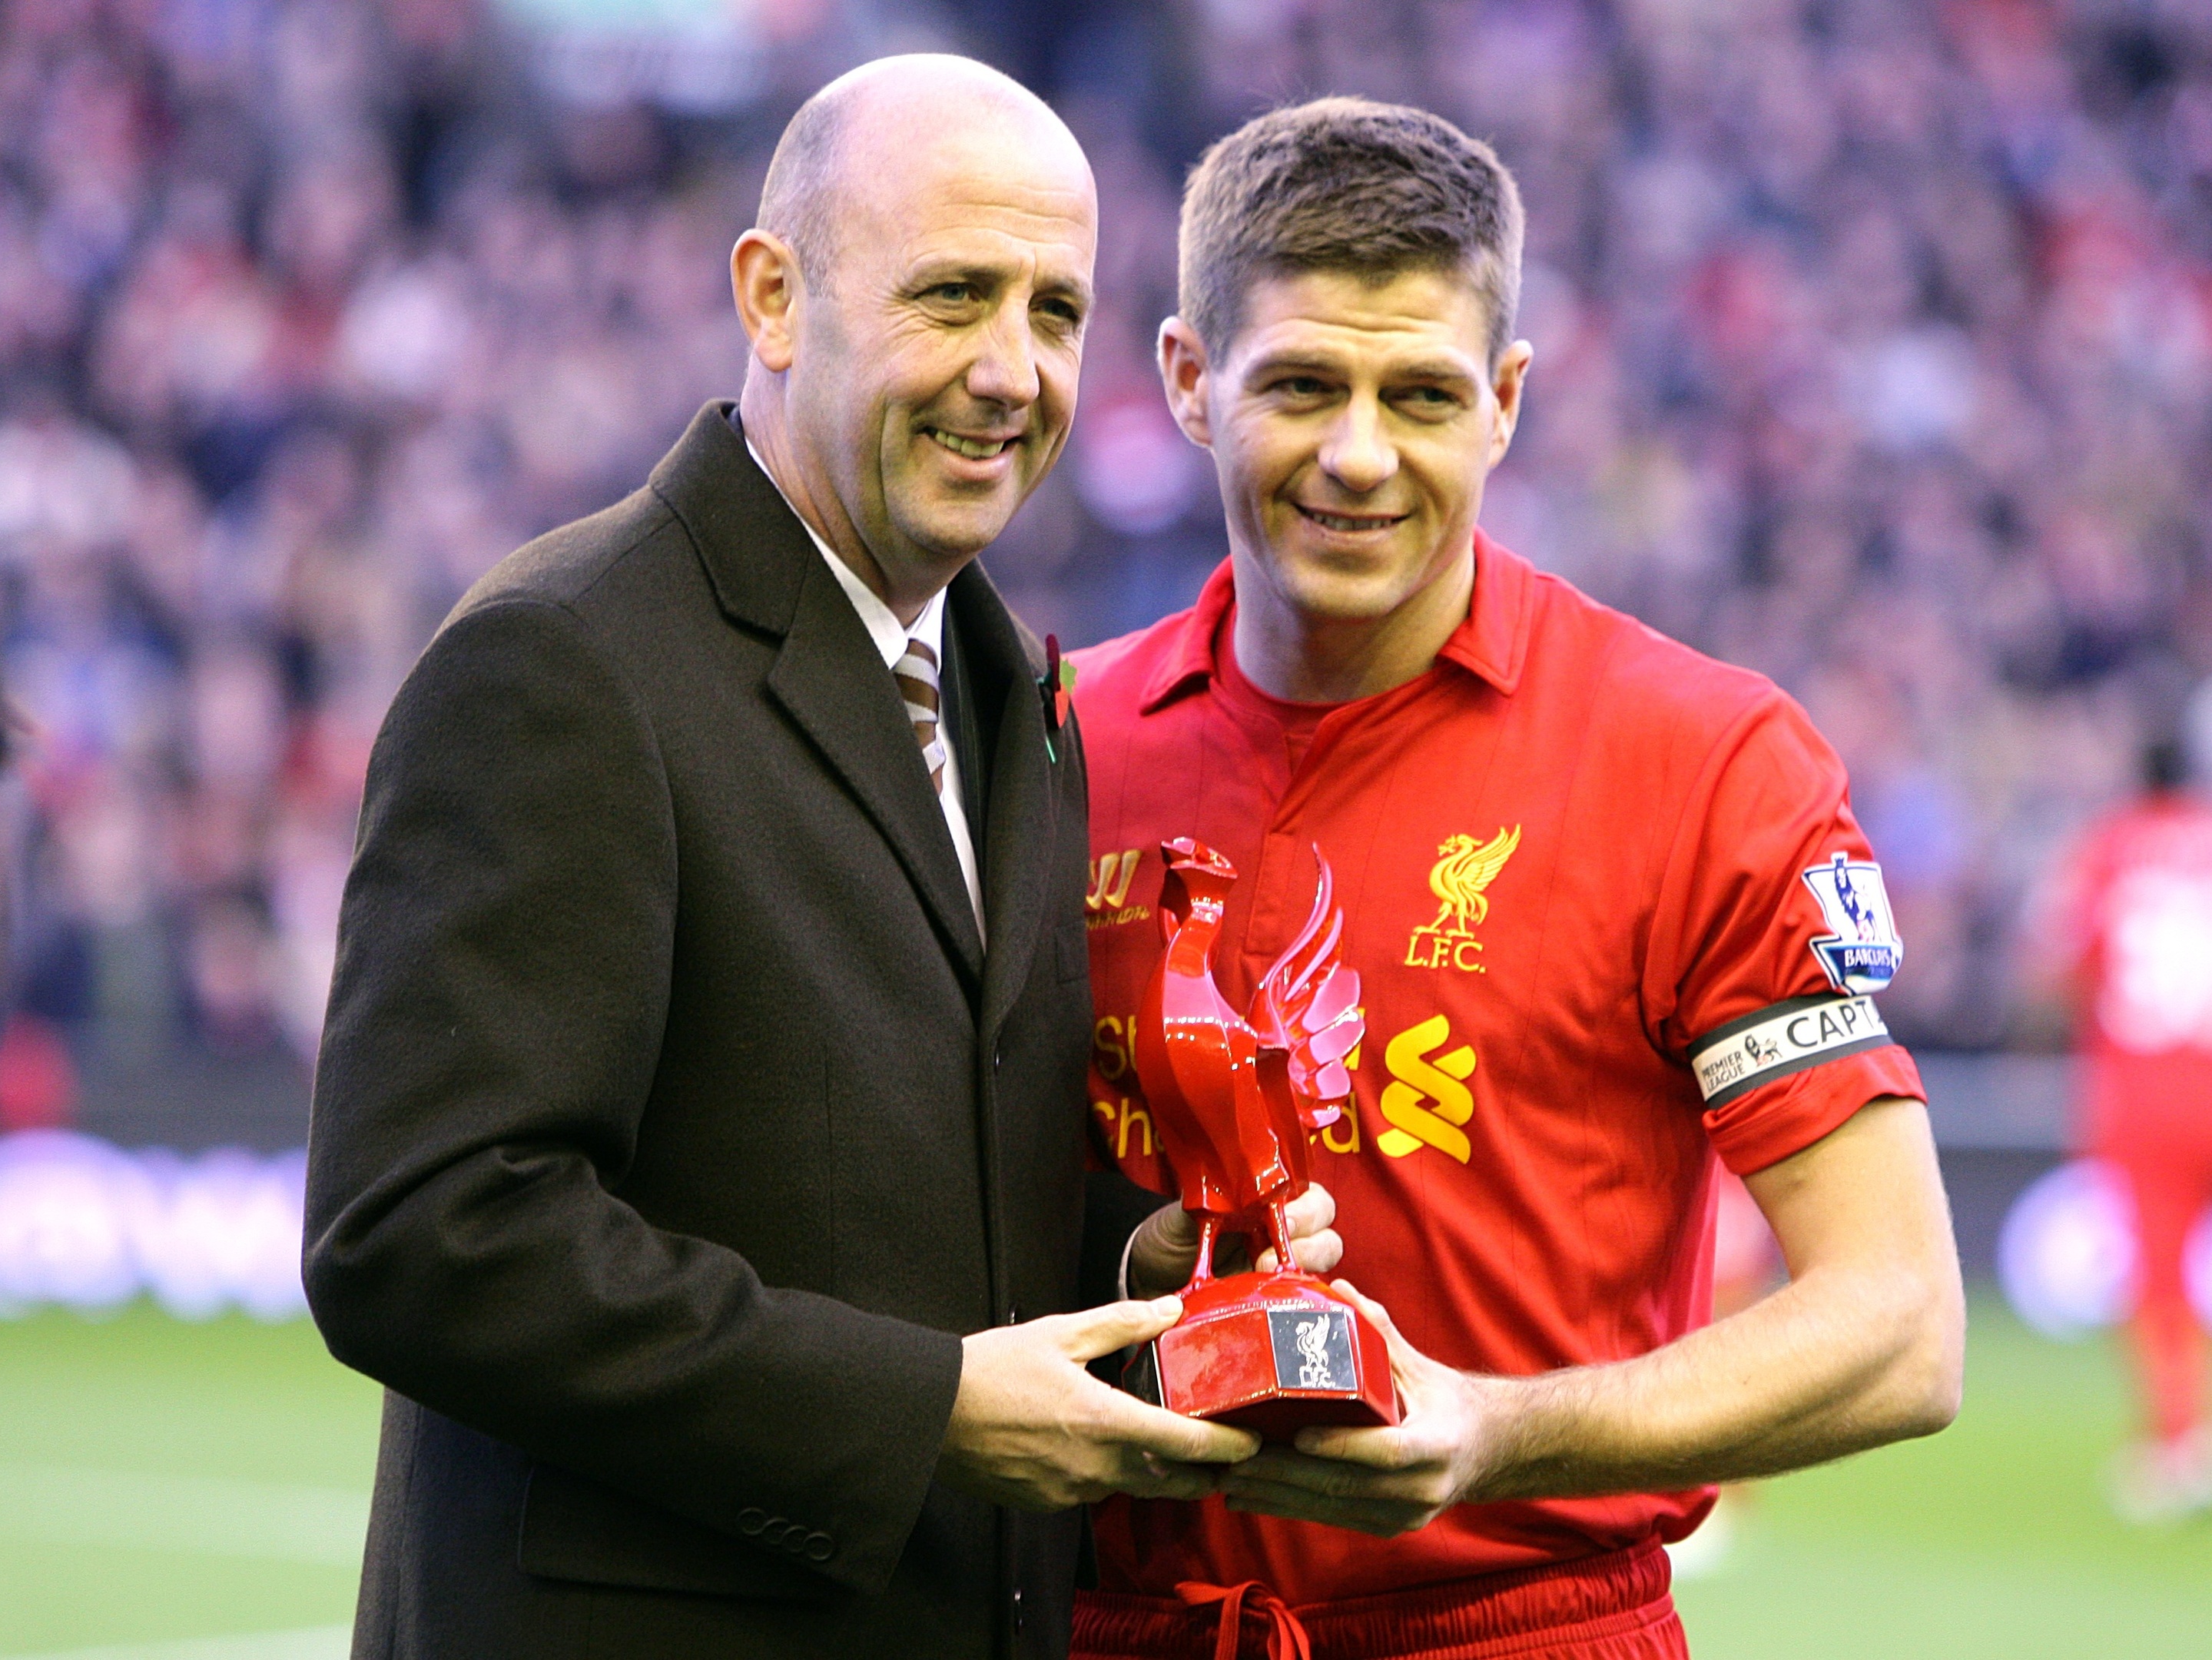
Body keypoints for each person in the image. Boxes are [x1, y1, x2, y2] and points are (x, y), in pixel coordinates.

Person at [301, 55, 1264, 1660]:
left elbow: (906, 1173)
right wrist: (928, 1409)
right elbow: (419, 1233)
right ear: (772, 296)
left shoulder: (1010, 688)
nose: (1011, 370)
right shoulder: (565, 658)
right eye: (952, 294)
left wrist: (1132, 1254)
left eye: (1053, 310)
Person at [1067, 98, 1964, 1658]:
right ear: (1189, 383)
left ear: (1506, 400)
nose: (1359, 454)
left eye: (1419, 392)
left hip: (1520, 1628)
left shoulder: (1701, 761)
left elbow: (1896, 1329)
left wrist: (1495, 1433)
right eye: (1300, 385)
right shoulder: (1051, 747)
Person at [2034, 732, 2212, 1523]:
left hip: (2141, 1087)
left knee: (2155, 1275)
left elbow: (2060, 966)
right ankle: (2194, 1426)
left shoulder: (2106, 851)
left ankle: (2181, 1443)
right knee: (2191, 1270)